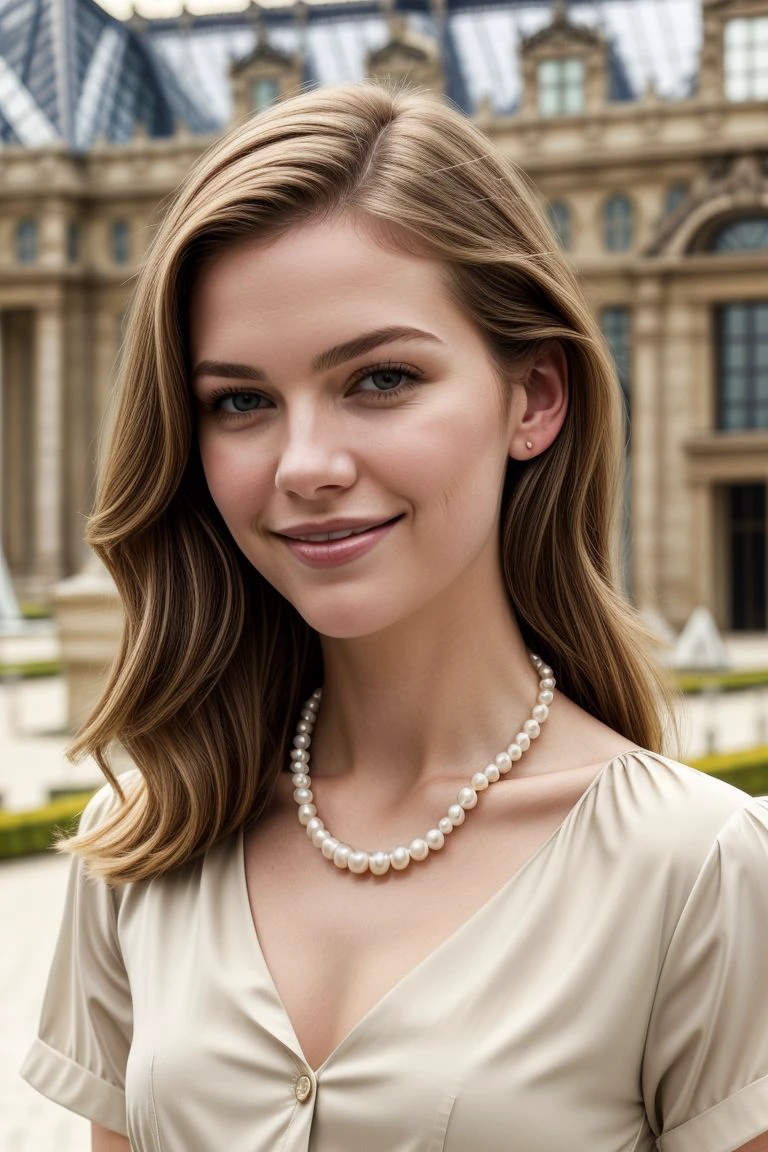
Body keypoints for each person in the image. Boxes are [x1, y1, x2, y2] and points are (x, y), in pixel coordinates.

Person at [20, 82, 768, 1152]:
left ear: (535, 397)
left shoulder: (700, 871)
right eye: (240, 400)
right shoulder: (147, 837)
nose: (307, 465)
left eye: (379, 378)